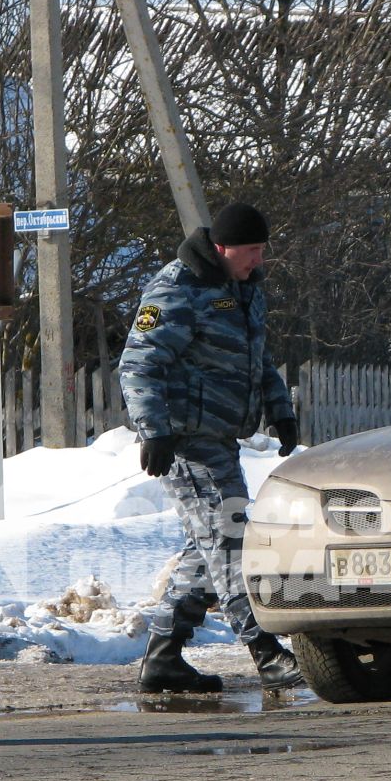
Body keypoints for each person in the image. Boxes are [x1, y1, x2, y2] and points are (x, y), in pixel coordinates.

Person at [120, 201, 305, 693]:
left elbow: (258, 358)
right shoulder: (178, 289)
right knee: (231, 540)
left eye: (262, 251)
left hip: (220, 439)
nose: (258, 262)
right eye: (250, 251)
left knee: (203, 554)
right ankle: (266, 654)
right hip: (186, 442)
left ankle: (163, 659)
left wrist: (280, 408)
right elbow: (139, 363)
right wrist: (154, 430)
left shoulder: (244, 292)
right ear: (222, 248)